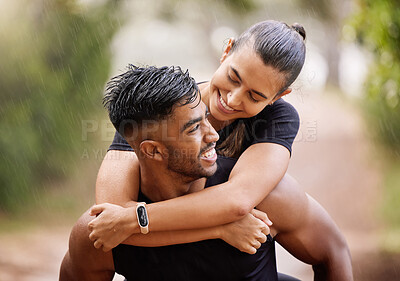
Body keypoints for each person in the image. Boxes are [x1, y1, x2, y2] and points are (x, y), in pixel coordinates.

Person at [60, 65, 352, 281]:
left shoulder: (265, 199)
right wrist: (220, 228)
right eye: (193, 128)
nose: (214, 134)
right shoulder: (103, 232)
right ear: (153, 150)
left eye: (206, 119)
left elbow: (333, 252)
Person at [90, 20, 308, 255]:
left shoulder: (277, 118)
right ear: (226, 51)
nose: (233, 100)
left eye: (254, 97)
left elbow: (237, 200)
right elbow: (110, 221)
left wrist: (136, 218)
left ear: (279, 95)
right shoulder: (163, 105)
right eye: (234, 78)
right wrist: (219, 229)